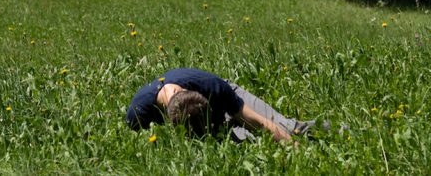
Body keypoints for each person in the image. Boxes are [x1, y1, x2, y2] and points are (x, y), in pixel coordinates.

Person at [125, 67, 326, 143]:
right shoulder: (138, 112)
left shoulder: (210, 85)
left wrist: (294, 148)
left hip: (230, 100)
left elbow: (260, 121)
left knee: (286, 128)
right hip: (201, 122)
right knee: (249, 143)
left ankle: (333, 129)